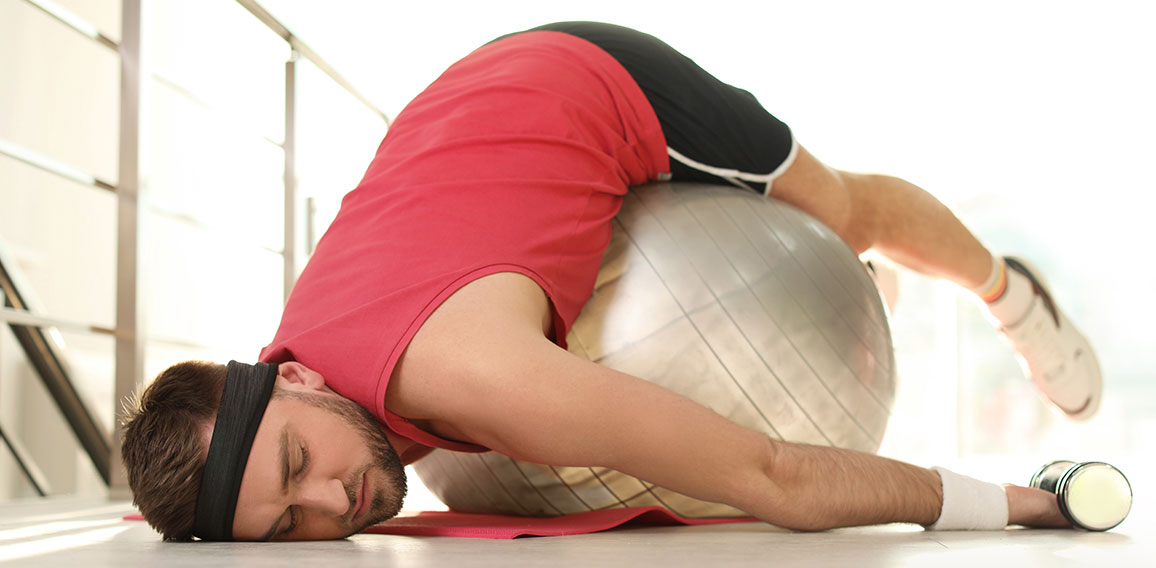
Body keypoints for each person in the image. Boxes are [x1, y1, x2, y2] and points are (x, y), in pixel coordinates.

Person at [120, 22, 1101, 541]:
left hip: (582, 78)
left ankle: (1008, 292)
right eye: (290, 525)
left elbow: (776, 474)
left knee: (841, 210)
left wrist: (1030, 505)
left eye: (300, 468)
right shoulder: (285, 393)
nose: (335, 504)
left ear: (289, 382)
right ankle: (866, 293)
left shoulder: (470, 372)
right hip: (460, 129)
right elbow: (224, 482)